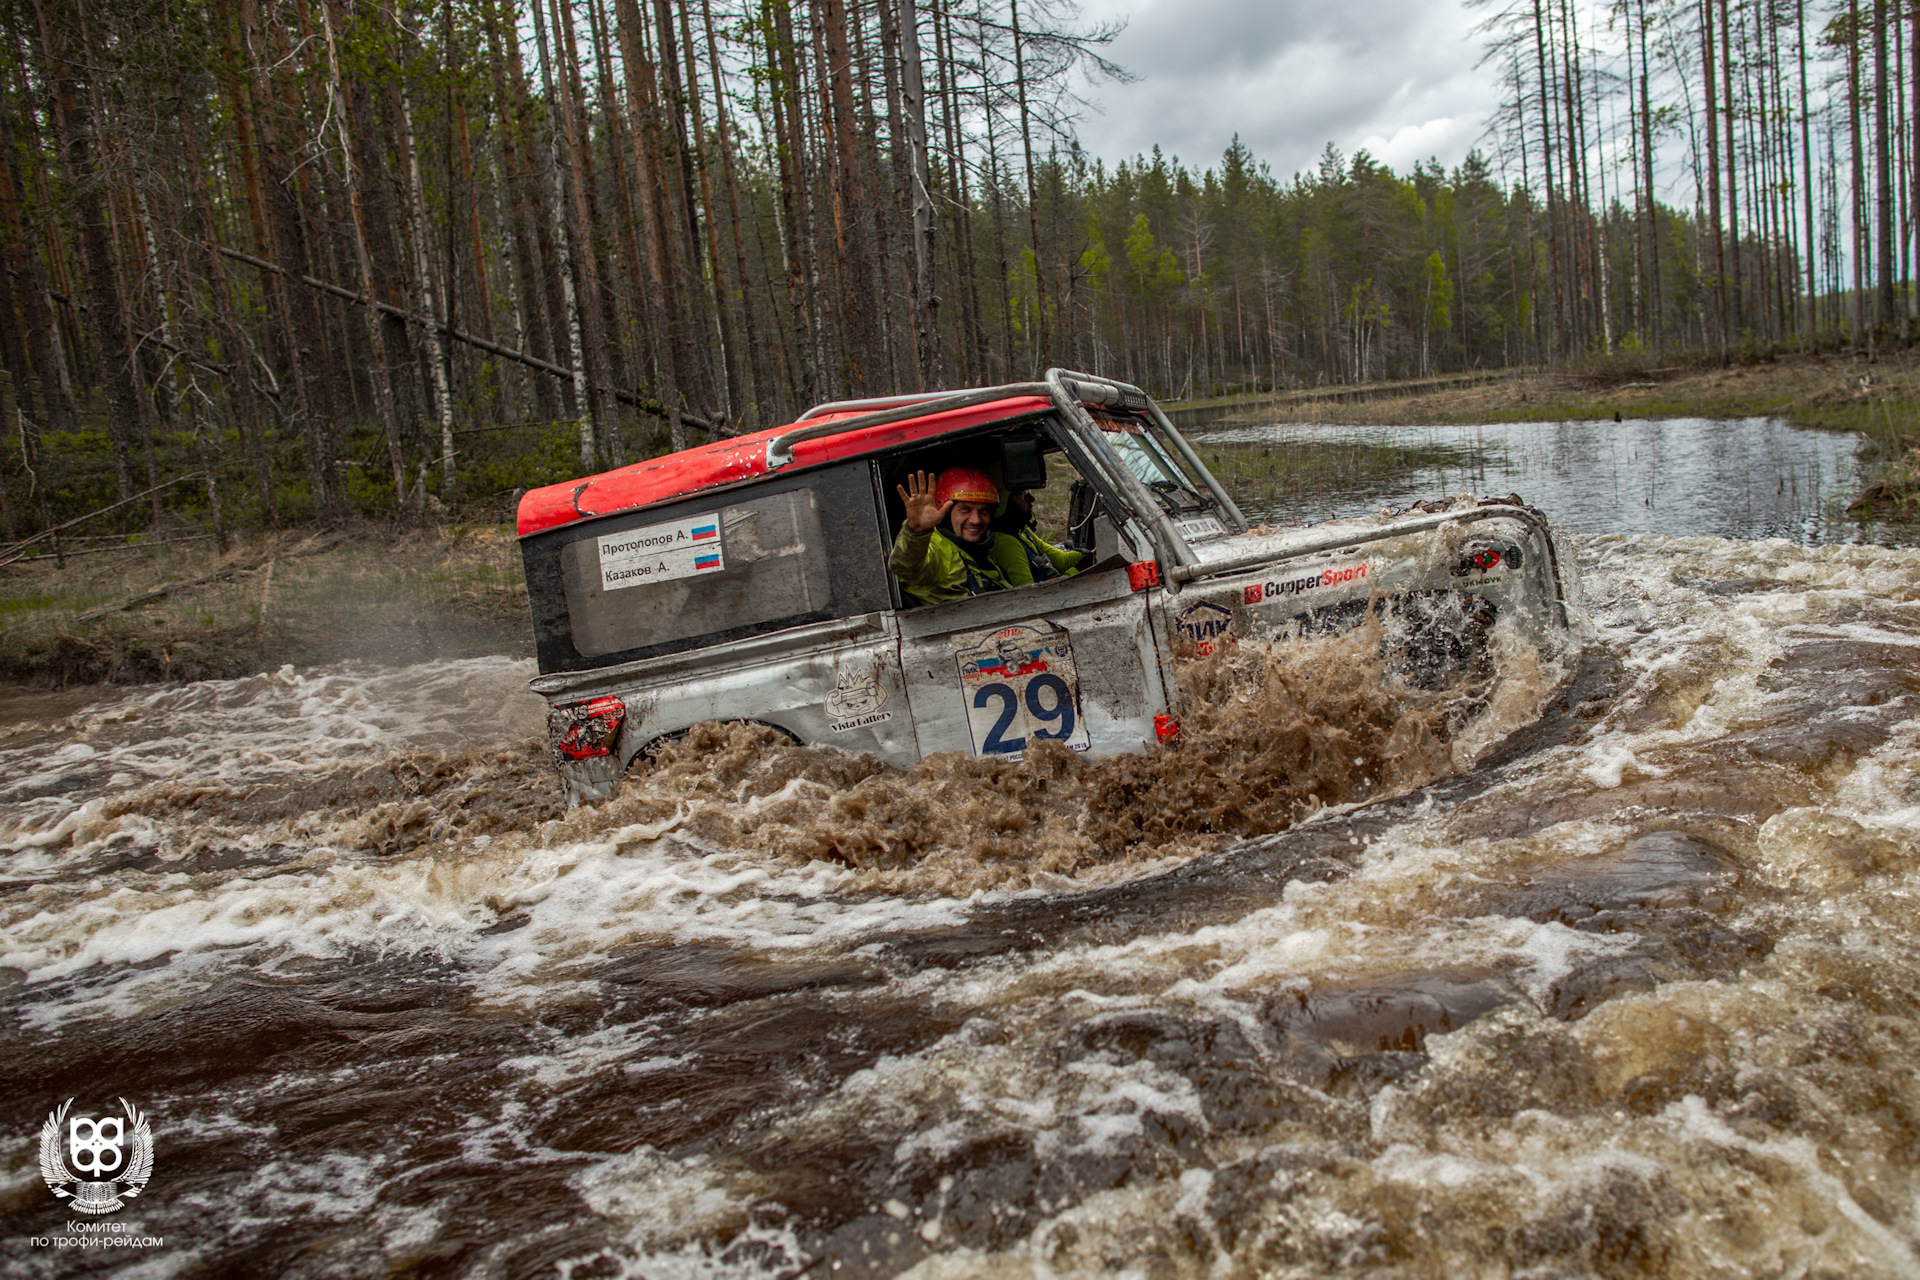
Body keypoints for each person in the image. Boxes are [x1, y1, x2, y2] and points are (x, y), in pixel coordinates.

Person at [889, 467, 1033, 606]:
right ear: (945, 511)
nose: (976, 520)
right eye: (965, 509)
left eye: (983, 511)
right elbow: (905, 567)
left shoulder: (977, 552)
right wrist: (916, 533)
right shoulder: (938, 548)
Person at [993, 486, 1086, 583]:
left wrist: (1091, 553)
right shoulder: (1006, 544)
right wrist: (1076, 573)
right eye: (1022, 494)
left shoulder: (1022, 532)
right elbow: (1028, 593)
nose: (1032, 498)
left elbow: (1061, 561)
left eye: (1027, 492)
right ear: (1003, 503)